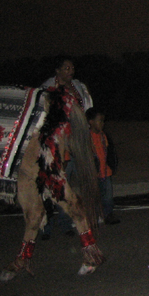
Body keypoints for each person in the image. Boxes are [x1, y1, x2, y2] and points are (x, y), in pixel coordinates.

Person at [40, 56, 94, 237]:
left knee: (74, 183)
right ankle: (44, 225)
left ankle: (70, 223)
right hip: (57, 141)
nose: (71, 71)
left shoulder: (78, 87)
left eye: (72, 68)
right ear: (57, 70)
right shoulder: (48, 88)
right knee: (53, 183)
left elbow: (87, 109)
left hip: (77, 140)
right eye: (67, 68)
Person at [86, 107, 120, 224]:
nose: (102, 123)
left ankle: (108, 214)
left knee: (108, 196)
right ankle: (94, 216)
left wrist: (112, 164)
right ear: (91, 122)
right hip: (93, 173)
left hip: (105, 171)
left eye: (103, 120)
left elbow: (110, 152)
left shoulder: (103, 135)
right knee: (95, 196)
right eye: (99, 120)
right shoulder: (87, 137)